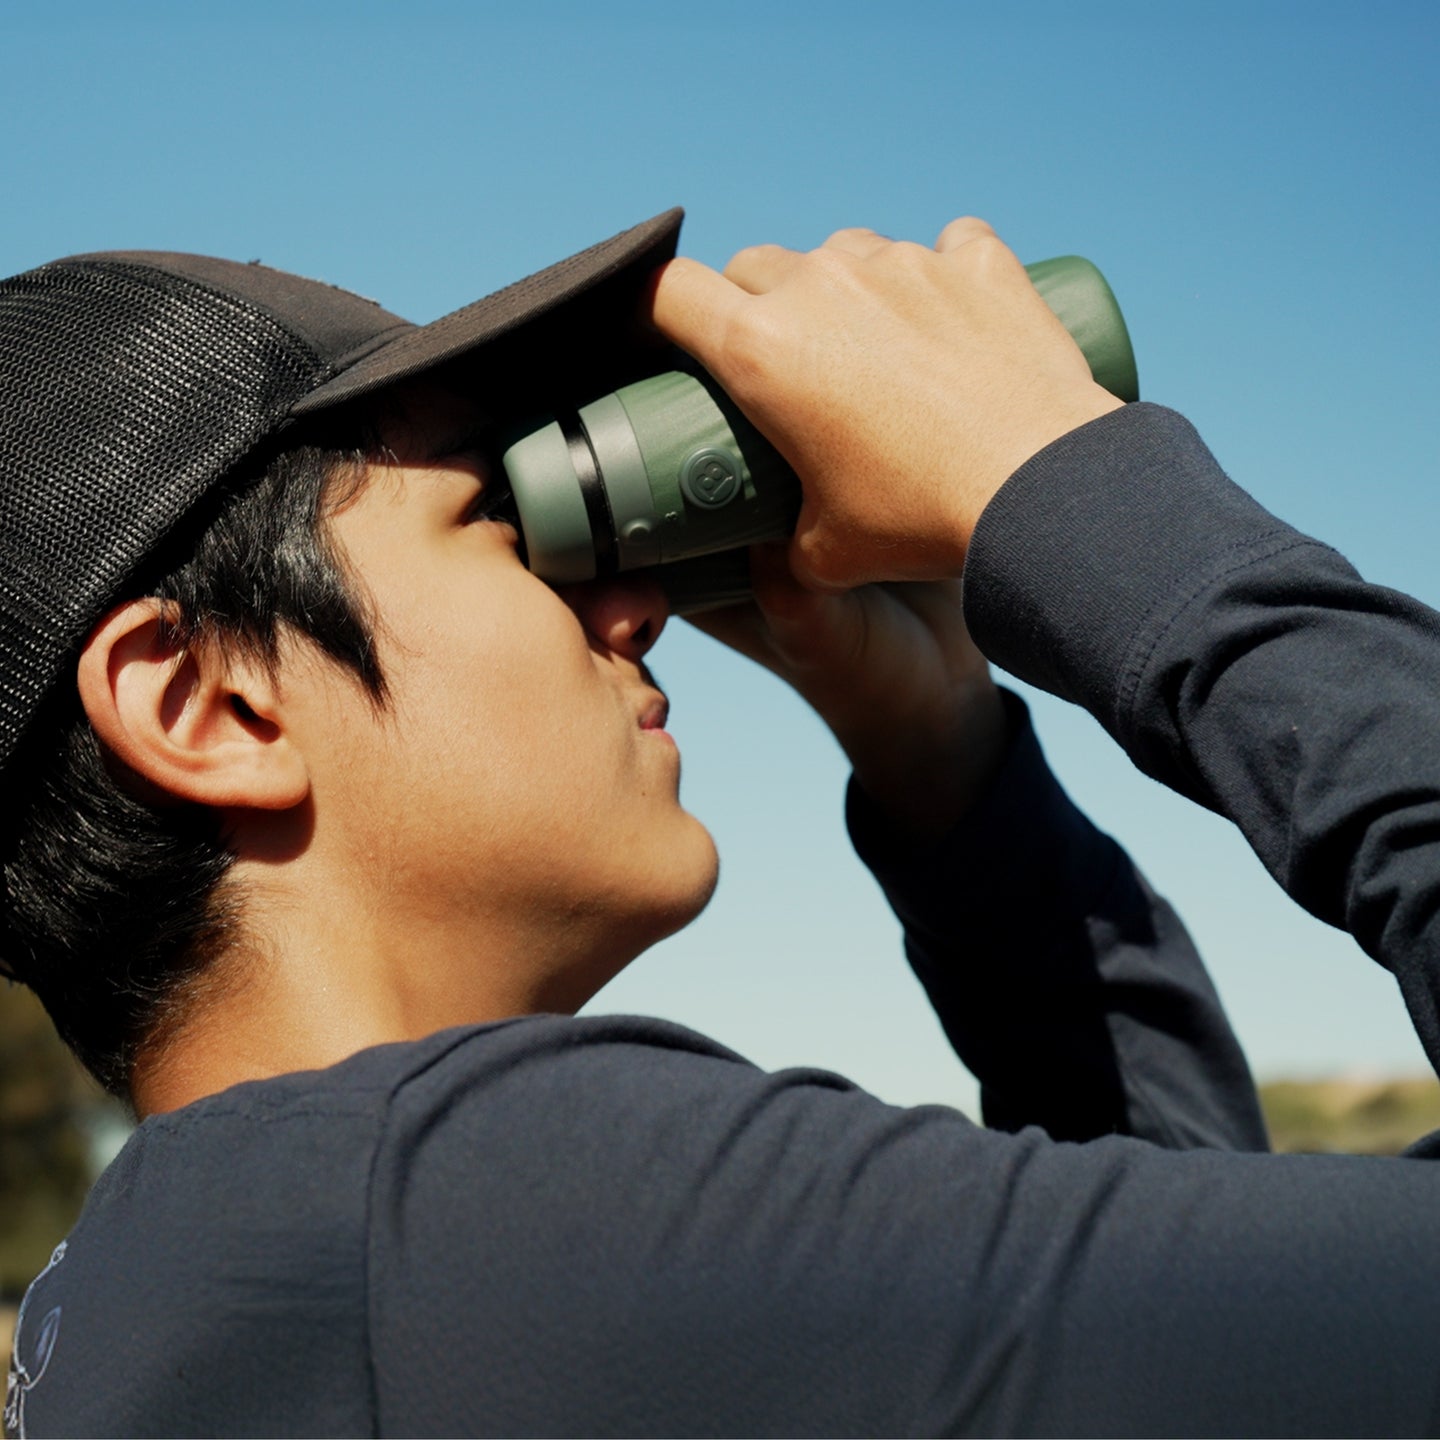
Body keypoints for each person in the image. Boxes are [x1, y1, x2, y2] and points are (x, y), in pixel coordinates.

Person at [3, 209, 1439, 1438]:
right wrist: (1073, 500)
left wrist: (940, 751)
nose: (635, 605)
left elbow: (1194, 1335)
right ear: (206, 703)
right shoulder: (500, 1206)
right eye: (513, 528)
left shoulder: (183, 1295)